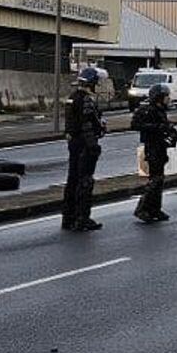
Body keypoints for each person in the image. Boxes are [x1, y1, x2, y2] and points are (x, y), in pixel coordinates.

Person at [62, 67, 107, 232]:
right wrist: (93, 145)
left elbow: (70, 125)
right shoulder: (87, 100)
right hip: (84, 145)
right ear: (92, 83)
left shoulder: (71, 98)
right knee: (85, 181)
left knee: (72, 180)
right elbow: (87, 124)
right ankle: (82, 218)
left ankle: (68, 218)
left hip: (73, 143)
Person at [132, 83, 177, 223]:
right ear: (159, 97)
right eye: (166, 96)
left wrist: (173, 133)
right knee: (155, 180)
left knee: (159, 179)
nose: (168, 99)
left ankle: (155, 209)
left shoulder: (160, 110)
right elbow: (136, 125)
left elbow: (164, 126)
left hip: (160, 146)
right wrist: (157, 127)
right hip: (153, 146)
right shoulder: (148, 109)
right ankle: (142, 209)